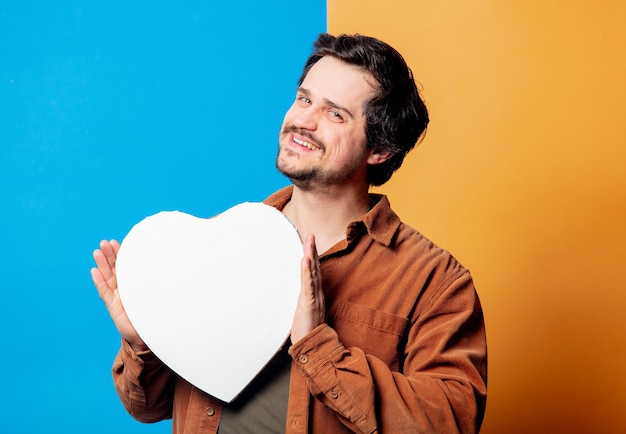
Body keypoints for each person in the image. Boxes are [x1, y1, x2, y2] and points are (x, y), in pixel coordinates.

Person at [92, 33, 487, 433]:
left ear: (379, 149)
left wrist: (318, 345)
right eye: (304, 99)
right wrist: (146, 343)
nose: (303, 121)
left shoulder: (435, 282)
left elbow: (448, 423)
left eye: (335, 114)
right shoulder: (223, 246)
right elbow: (149, 406)